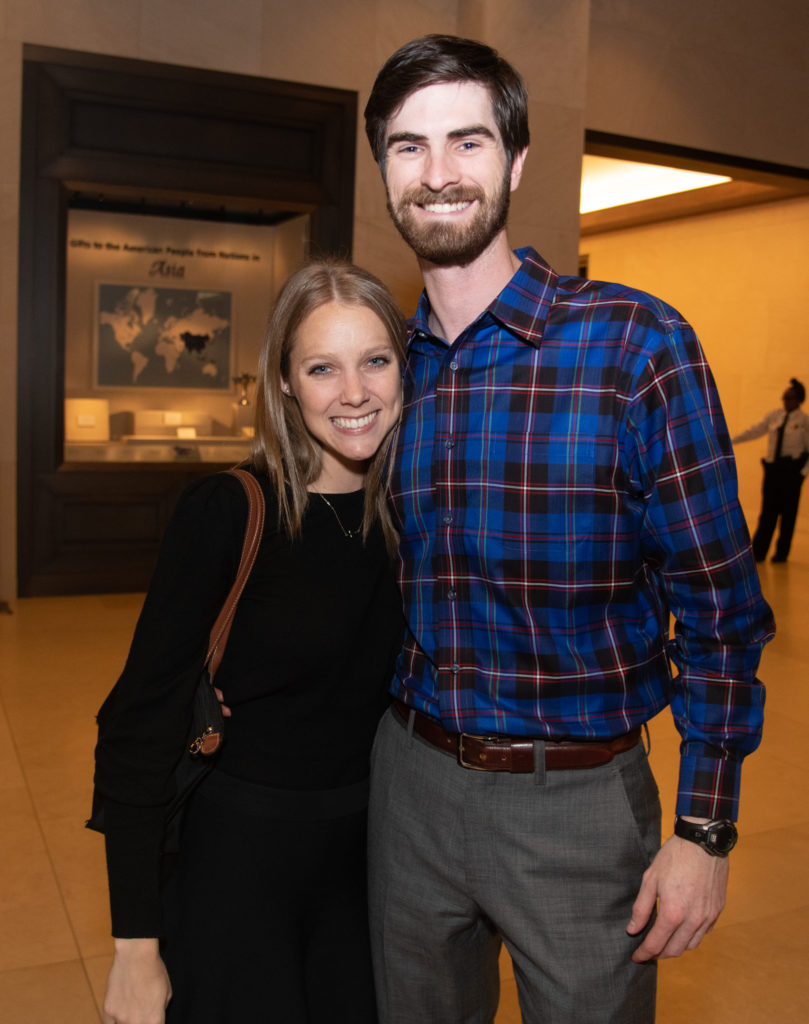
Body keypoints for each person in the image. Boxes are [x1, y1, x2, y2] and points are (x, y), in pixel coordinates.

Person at [362, 34, 775, 1024]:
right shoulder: (381, 370)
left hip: (580, 805)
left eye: (466, 141)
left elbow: (719, 613)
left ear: (515, 160)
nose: (438, 173)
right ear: (381, 169)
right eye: (407, 146)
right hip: (409, 787)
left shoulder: (634, 344)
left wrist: (703, 831)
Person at [90, 260, 406, 1024]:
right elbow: (137, 725)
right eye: (322, 367)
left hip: (373, 866)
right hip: (239, 863)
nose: (354, 392)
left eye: (376, 360)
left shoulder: (415, 509)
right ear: (286, 383)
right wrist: (136, 946)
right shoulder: (229, 511)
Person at [732, 377, 809, 563]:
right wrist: (732, 440)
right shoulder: (775, 416)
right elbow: (756, 430)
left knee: (788, 514)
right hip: (773, 471)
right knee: (767, 512)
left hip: (791, 471)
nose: (785, 402)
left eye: (789, 398)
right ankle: (759, 551)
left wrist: (802, 473)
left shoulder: (804, 421)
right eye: (784, 398)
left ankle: (781, 554)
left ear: (798, 399)